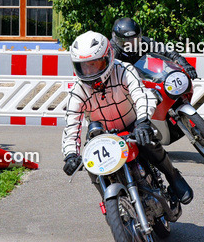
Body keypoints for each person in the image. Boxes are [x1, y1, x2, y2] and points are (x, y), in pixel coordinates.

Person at [61, 30, 193, 204]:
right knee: (91, 164)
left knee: (149, 142)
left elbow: (141, 94)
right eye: (83, 66)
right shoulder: (77, 90)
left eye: (94, 64)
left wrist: (143, 121)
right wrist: (70, 154)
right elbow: (72, 124)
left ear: (108, 57)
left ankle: (173, 176)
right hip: (101, 135)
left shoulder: (124, 70)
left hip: (132, 124)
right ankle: (110, 203)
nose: (88, 71)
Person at [109, 17, 198, 79]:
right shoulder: (111, 52)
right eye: (127, 41)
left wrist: (184, 63)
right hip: (120, 86)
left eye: (134, 40)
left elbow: (166, 50)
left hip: (140, 79)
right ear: (118, 40)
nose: (131, 44)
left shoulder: (144, 42)